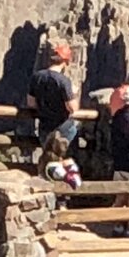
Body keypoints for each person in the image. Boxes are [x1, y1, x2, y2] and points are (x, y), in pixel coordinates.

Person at [26, 42, 80, 171]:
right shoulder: (64, 81)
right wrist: (74, 93)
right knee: (65, 162)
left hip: (44, 126)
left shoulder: (37, 77)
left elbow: (31, 103)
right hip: (64, 128)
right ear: (65, 62)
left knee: (49, 160)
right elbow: (73, 108)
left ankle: (48, 179)